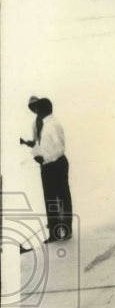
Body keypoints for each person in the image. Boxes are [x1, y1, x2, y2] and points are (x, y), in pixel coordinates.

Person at [20, 96, 73, 242]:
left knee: (62, 198)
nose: (35, 111)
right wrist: (38, 154)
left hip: (56, 164)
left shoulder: (53, 125)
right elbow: (41, 144)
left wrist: (45, 158)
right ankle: (54, 233)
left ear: (42, 110)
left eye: (37, 108)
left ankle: (66, 231)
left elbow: (60, 148)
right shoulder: (43, 123)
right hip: (48, 165)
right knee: (50, 199)